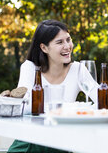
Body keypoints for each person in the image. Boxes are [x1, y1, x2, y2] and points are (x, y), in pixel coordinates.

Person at [8, 19, 98, 153]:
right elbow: (24, 107)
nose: (67, 46)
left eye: (68, 40)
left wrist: (82, 112)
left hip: (62, 142)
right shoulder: (30, 68)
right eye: (59, 42)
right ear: (44, 47)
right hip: (30, 141)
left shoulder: (79, 70)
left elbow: (105, 102)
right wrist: (68, 109)